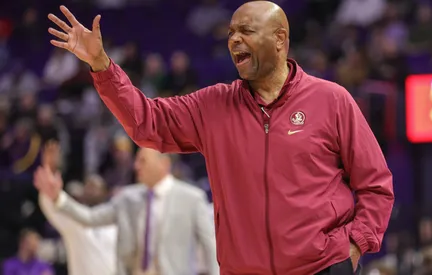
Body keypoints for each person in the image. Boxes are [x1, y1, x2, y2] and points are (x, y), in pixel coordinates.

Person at [45, 1, 394, 274]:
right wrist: (102, 66)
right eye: (230, 33)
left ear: (280, 39)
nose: (234, 39)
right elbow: (147, 122)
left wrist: (355, 244)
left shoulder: (331, 100)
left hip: (321, 268)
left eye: (246, 30)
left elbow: (375, 184)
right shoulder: (212, 105)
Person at [34, 147, 219, 275]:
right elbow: (89, 218)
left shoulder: (191, 198)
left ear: (164, 164)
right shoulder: (127, 198)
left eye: (142, 160)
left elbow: (210, 246)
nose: (136, 166)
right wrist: (58, 197)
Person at [38, 141, 117, 275]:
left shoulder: (117, 222)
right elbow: (52, 205)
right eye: (88, 186)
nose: (90, 189)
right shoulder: (75, 220)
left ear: (105, 192)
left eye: (95, 186)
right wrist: (50, 170)